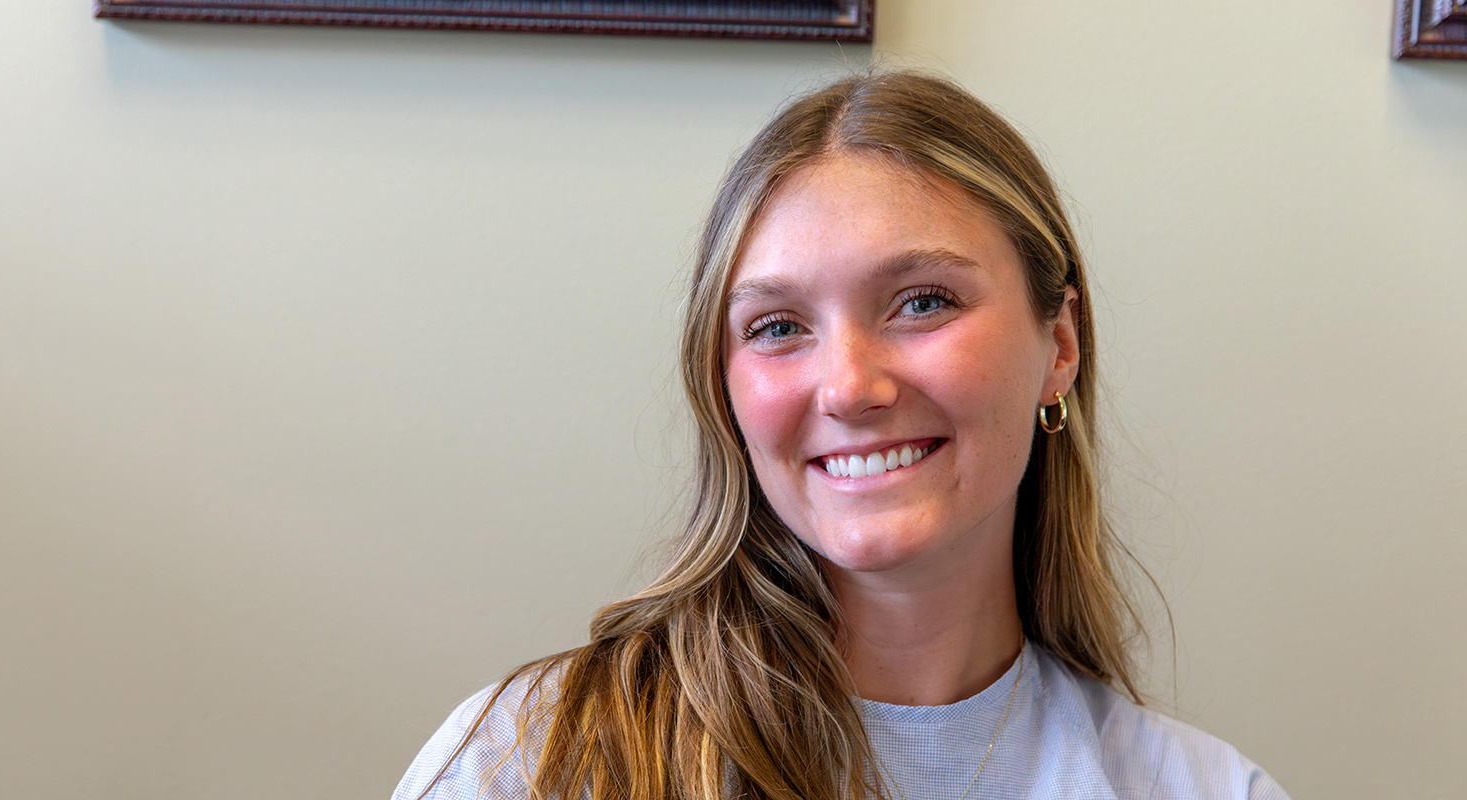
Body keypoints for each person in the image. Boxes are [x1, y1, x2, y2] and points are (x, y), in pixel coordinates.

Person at [393, 71, 1290, 800]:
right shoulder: (532, 764)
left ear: (1058, 344)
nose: (851, 387)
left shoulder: (1208, 790)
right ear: (728, 386)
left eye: (923, 302)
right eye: (778, 326)